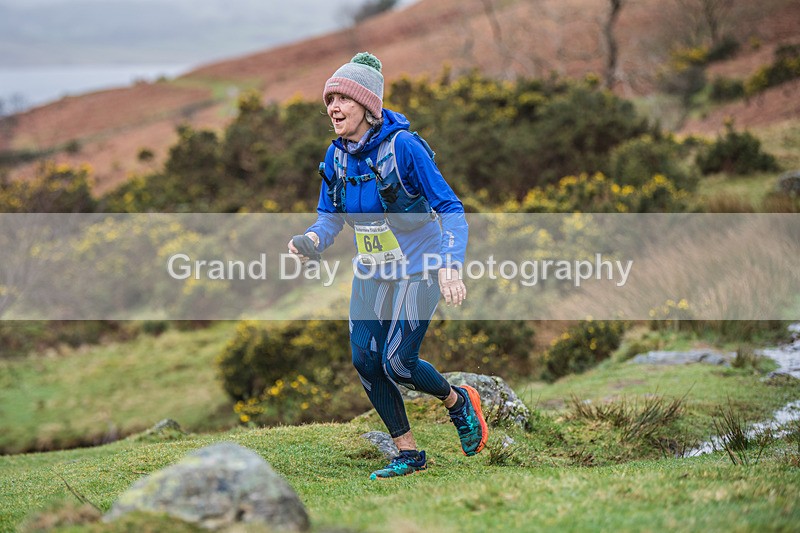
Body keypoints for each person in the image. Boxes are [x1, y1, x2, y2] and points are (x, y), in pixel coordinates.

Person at [288, 52, 487, 480]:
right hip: (372, 271)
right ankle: (409, 453)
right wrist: (311, 241)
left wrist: (450, 266)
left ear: (368, 106)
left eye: (343, 99)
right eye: (330, 100)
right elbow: (330, 216)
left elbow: (450, 207)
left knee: (398, 362)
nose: (333, 108)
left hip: (421, 266)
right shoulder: (337, 156)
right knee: (365, 361)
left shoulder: (405, 148)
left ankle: (458, 401)